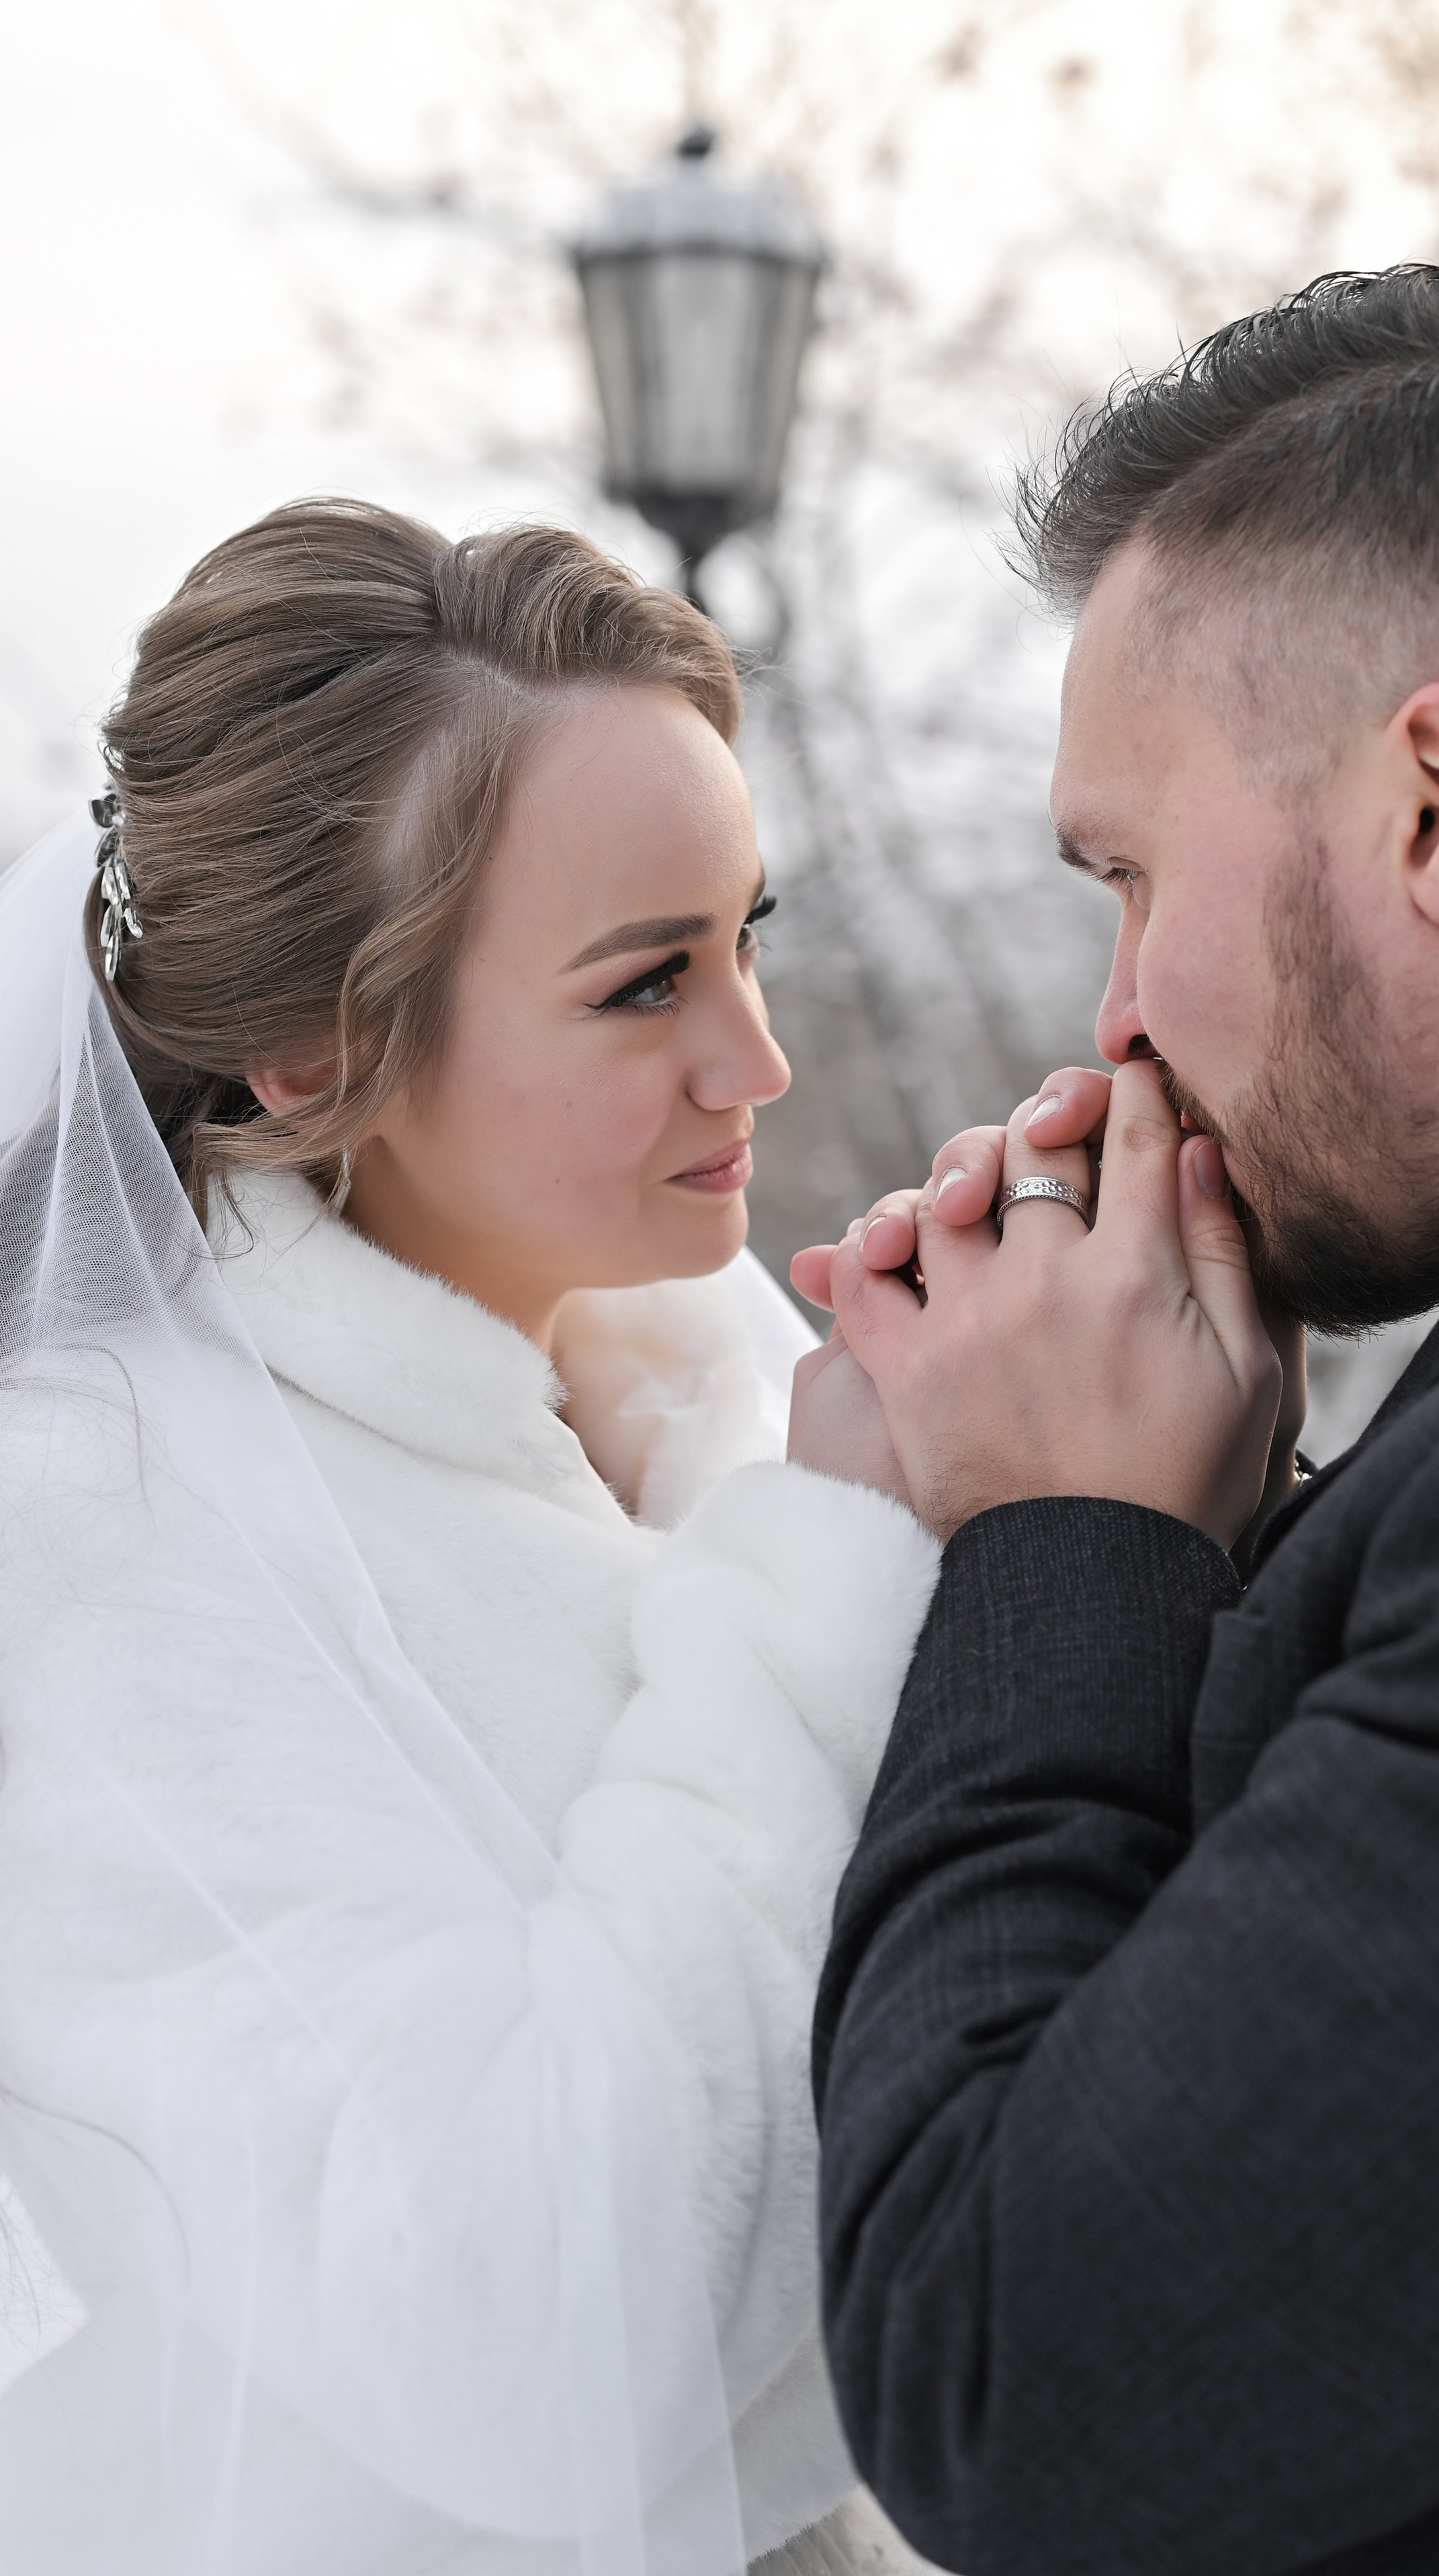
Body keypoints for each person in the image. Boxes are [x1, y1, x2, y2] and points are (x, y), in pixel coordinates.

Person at [792, 263, 1439, 2573]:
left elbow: (1019, 2380)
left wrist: (1064, 1544)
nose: (1112, 1022)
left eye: (1125, 873)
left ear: (1434, 803)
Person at [0, 501, 941, 2576]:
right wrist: (836, 1582)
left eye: (747, 935)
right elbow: (526, 2326)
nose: (757, 1058)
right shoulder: (102, 1536)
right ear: (314, 1045)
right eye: (644, 988)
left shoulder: (691, 1370)